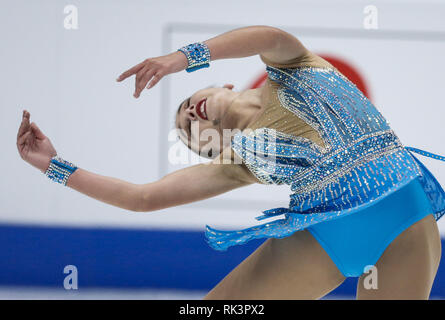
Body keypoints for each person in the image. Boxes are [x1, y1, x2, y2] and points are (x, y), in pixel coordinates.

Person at [16, 25, 445, 299]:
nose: (189, 116)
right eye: (188, 132)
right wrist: (55, 166)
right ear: (215, 152)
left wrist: (179, 59)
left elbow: (266, 36)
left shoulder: (293, 65)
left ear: (220, 85)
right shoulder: (239, 164)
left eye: (187, 105)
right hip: (322, 242)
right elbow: (142, 198)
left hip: (402, 225)